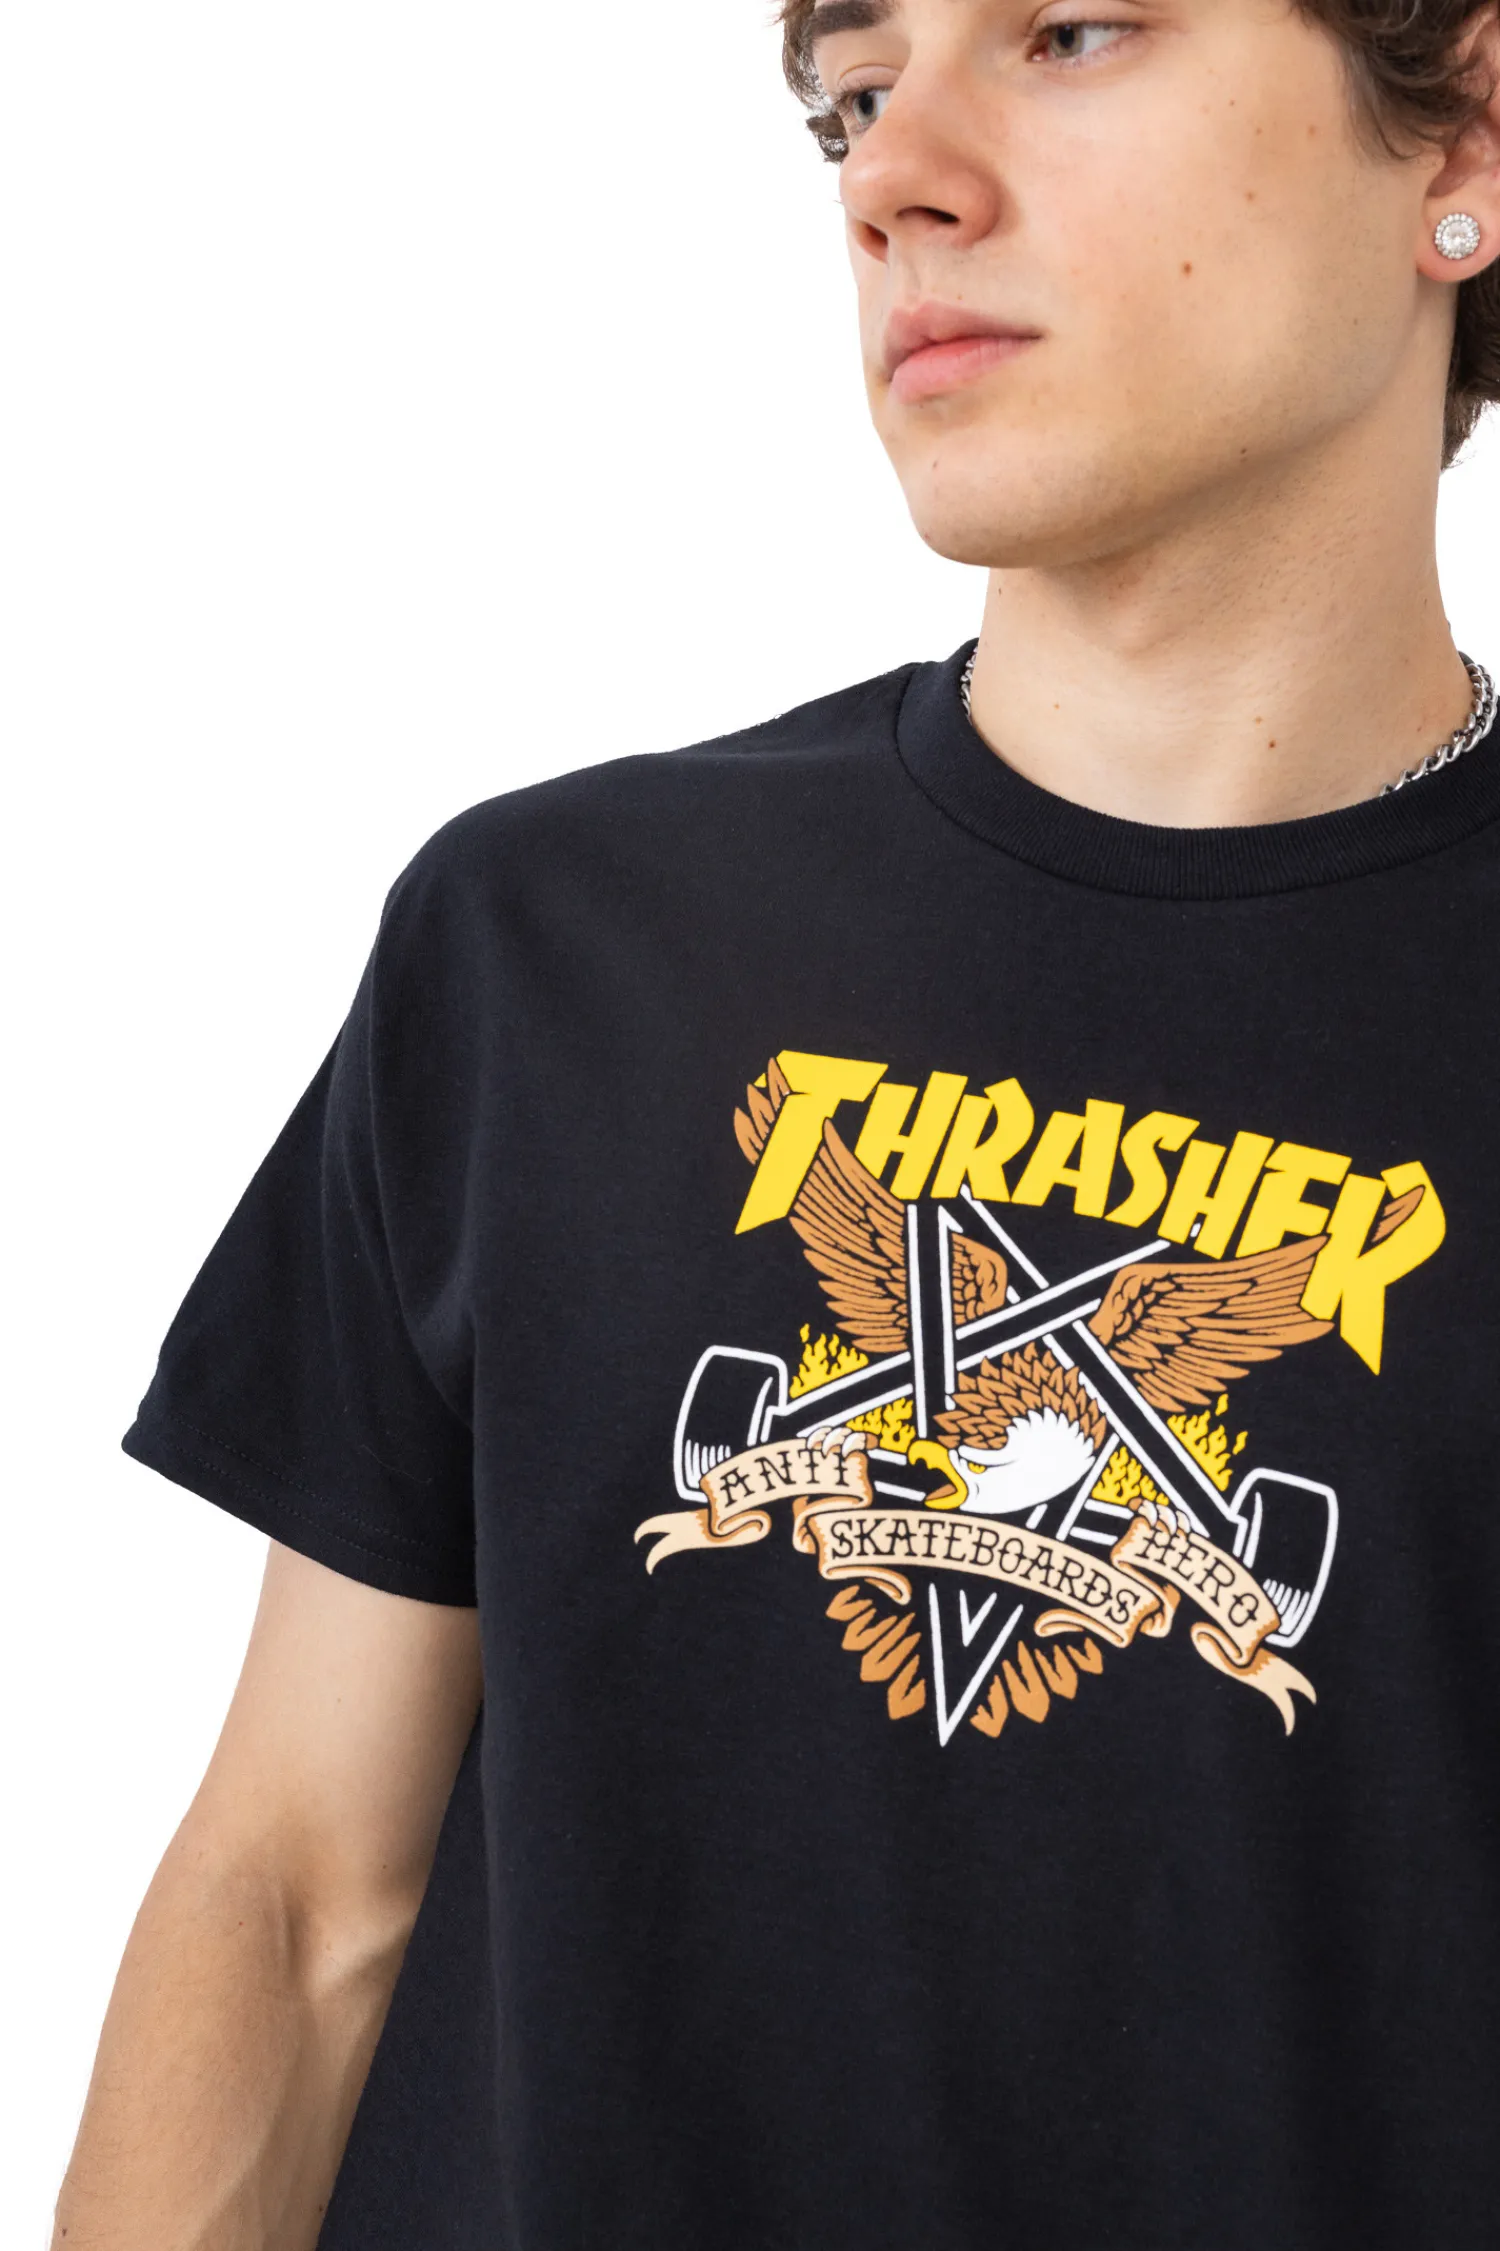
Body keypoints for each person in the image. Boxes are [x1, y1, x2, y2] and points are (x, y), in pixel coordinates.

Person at [52, 0, 1500, 2243]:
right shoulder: (553, 943)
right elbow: (298, 1896)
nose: (892, 177)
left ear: (1466, 135)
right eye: (854, 95)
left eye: (1069, 32)